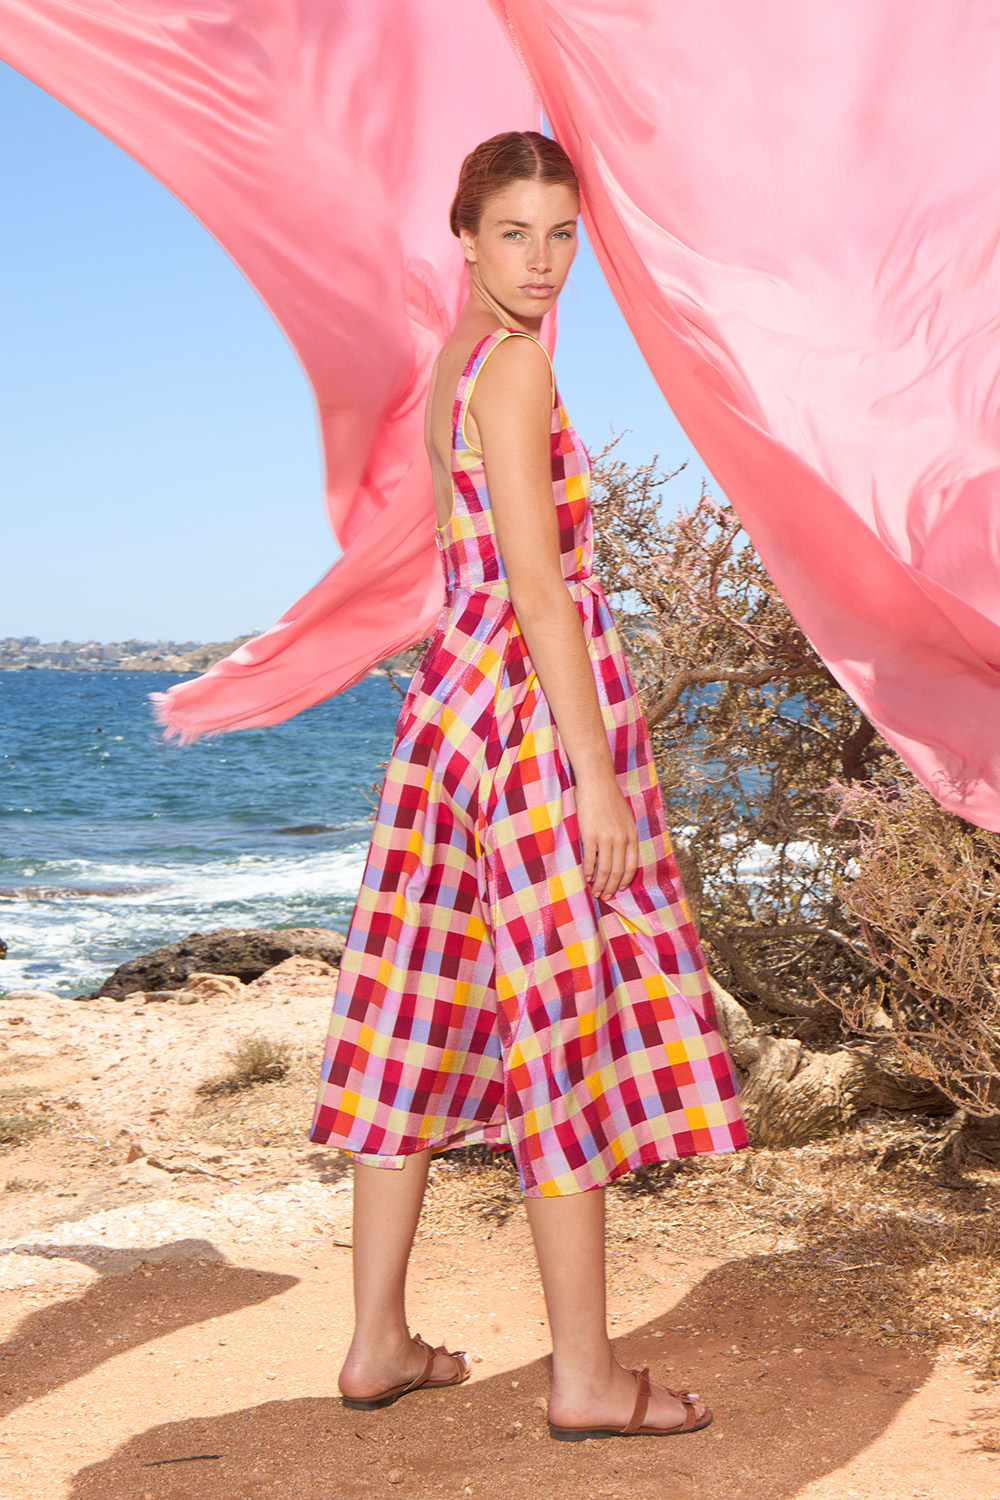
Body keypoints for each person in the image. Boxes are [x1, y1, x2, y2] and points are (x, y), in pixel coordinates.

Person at [310, 131, 746, 1441]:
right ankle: (586, 1378)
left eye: (561, 235)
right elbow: (541, 594)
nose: (543, 260)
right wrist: (596, 782)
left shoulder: (456, 360)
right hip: (524, 722)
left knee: (415, 1005)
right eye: (514, 232)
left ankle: (377, 1341)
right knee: (562, 1020)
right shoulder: (512, 369)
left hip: (447, 712)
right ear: (464, 235)